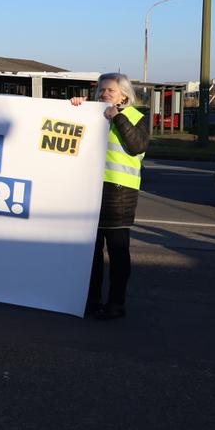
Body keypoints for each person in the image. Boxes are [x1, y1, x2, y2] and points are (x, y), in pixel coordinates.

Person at [70, 73, 151, 320]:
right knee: (90, 256)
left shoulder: (136, 116)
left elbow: (137, 145)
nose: (104, 94)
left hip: (119, 196)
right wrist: (74, 109)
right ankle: (91, 301)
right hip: (90, 192)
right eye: (101, 90)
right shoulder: (92, 113)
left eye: (111, 91)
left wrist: (117, 117)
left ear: (124, 95)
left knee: (117, 255)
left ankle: (116, 304)